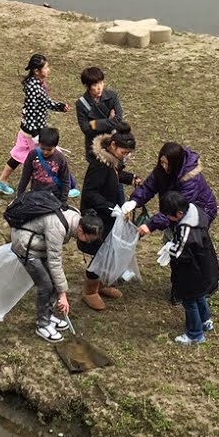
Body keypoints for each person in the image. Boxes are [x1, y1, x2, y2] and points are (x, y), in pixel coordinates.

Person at [11, 204, 103, 342]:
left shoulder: (76, 217)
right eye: (88, 239)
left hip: (40, 243)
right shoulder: (58, 228)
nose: (89, 243)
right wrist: (63, 295)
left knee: (54, 281)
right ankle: (42, 325)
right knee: (46, 285)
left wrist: (61, 291)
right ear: (80, 230)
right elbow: (55, 261)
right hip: (26, 246)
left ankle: (48, 315)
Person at [78, 128, 137, 309]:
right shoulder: (99, 164)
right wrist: (111, 208)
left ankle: (102, 284)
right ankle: (90, 291)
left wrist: (132, 179)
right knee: (98, 255)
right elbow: (90, 193)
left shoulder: (112, 161)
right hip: (98, 218)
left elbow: (116, 175)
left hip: (109, 217)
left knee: (109, 252)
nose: (125, 156)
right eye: (123, 152)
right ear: (113, 145)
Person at [0, 53, 68, 195]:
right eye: (46, 67)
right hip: (34, 131)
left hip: (26, 129)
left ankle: (1, 181)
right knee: (49, 156)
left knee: (18, 154)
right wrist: (36, 135)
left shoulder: (36, 84)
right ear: (36, 71)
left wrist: (59, 106)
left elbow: (44, 103)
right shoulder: (34, 87)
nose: (49, 70)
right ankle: (62, 185)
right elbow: (32, 110)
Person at [157, 192, 219, 345]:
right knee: (200, 296)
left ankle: (195, 334)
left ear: (179, 213)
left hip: (192, 270)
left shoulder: (186, 229)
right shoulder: (196, 212)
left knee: (189, 301)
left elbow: (179, 251)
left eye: (169, 216)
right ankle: (206, 321)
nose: (168, 219)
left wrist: (168, 249)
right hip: (204, 265)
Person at [129, 141, 219, 232]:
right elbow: (149, 187)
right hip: (175, 214)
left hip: (199, 212)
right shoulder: (163, 170)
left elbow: (176, 208)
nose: (164, 166)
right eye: (162, 162)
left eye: (167, 164)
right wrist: (134, 201)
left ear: (176, 163)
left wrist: (150, 225)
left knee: (188, 239)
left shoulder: (191, 181)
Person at [14, 126, 79, 202]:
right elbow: (25, 176)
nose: (45, 152)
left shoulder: (60, 158)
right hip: (36, 193)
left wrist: (63, 201)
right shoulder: (33, 155)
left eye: (49, 150)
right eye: (43, 148)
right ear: (39, 143)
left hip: (54, 195)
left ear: (55, 146)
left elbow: (65, 180)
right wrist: (20, 195)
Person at [75, 66, 126, 150]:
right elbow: (86, 129)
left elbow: (118, 119)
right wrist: (109, 120)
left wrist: (95, 124)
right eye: (95, 85)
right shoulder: (81, 104)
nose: (99, 88)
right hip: (95, 145)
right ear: (87, 86)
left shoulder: (112, 96)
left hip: (113, 142)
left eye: (101, 83)